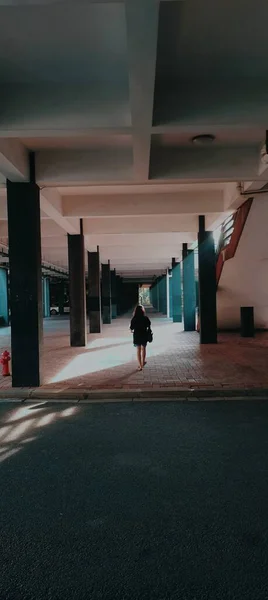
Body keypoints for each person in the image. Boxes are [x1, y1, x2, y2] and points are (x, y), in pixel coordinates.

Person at [130, 305, 151, 371]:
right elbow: (149, 325)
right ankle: (143, 361)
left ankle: (140, 365)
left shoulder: (134, 319)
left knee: (138, 350)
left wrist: (132, 330)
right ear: (143, 311)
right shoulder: (145, 318)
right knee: (143, 349)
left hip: (137, 335)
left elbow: (131, 328)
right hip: (144, 335)